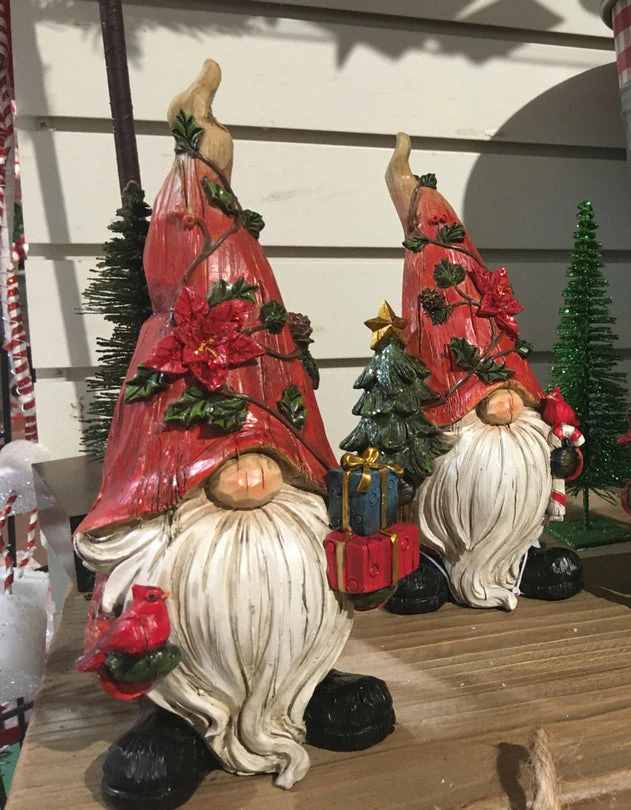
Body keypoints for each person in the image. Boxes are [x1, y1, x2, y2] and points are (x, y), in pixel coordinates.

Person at [74, 61, 392, 810]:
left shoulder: (305, 500)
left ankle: (302, 687)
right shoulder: (160, 407)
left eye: (266, 452)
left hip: (297, 654)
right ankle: (184, 719)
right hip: (184, 671)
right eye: (223, 457)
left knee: (302, 580)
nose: (250, 478)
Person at [382, 133, 585, 612]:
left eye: (510, 389)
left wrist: (560, 460)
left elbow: (565, 457)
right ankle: (437, 565)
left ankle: (518, 561)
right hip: (442, 540)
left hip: (517, 542)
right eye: (480, 399)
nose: (504, 405)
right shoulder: (432, 439)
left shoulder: (533, 430)